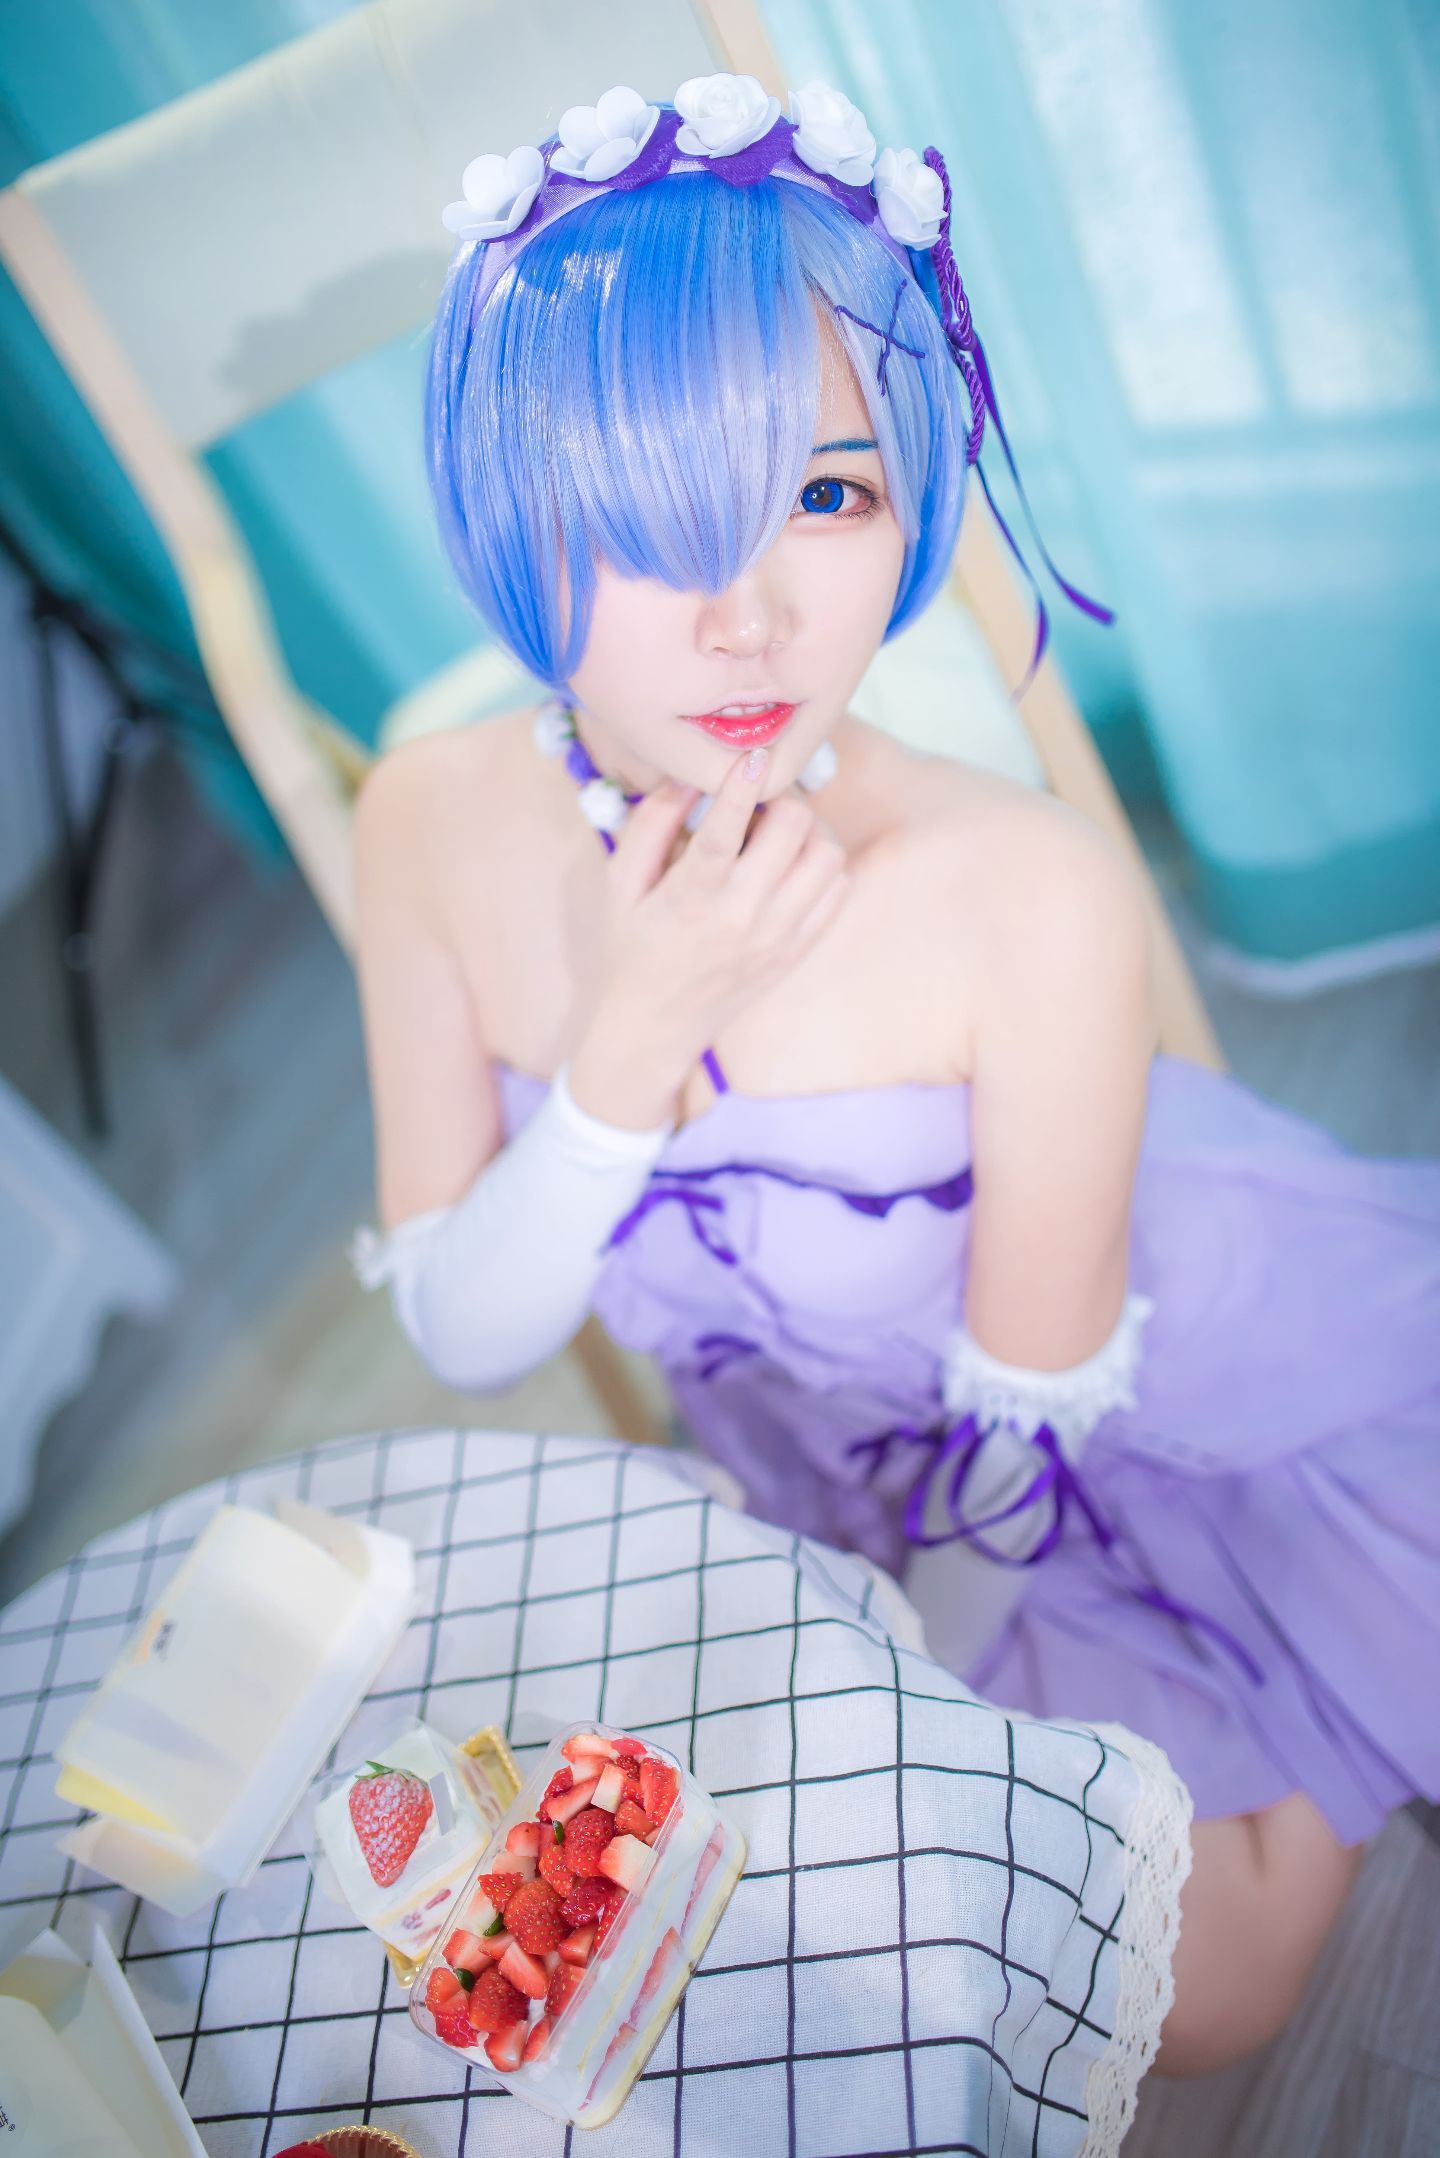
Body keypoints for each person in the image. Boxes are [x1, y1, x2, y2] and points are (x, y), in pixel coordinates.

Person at [350, 75, 1440, 2081]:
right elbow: (469, 1330)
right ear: (513, 515)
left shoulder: (1023, 883)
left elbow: (1020, 1460)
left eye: (829, 496)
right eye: (646, 518)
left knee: (1198, 1988)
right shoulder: (422, 822)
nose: (752, 615)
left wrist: (879, 1692)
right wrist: (627, 1038)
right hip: (800, 1464)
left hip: (1127, 1389)